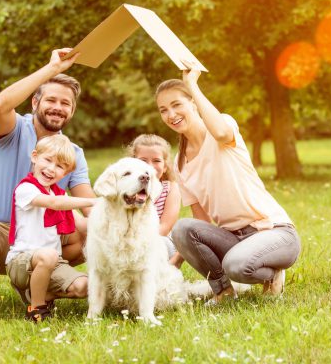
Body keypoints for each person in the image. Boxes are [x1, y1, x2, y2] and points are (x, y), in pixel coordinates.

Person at [0, 48, 96, 321]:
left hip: (41, 243)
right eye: (50, 100)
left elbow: (92, 209)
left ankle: (39, 290)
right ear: (34, 104)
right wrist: (53, 69)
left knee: (91, 230)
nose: (57, 107)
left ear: (72, 110)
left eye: (65, 103)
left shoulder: (72, 153)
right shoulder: (14, 129)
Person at [155, 64, 301, 305]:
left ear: (193, 103)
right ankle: (223, 292)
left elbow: (222, 133)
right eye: (163, 110)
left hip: (274, 232)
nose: (171, 114)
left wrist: (192, 84)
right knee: (182, 228)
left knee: (236, 265)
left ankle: (272, 274)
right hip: (233, 239)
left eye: (176, 104)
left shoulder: (222, 127)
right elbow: (200, 222)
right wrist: (174, 264)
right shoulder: (180, 163)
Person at [6, 134, 96, 322]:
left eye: (60, 166)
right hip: (21, 262)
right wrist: (94, 201)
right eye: (47, 160)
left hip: (52, 264)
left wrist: (117, 216)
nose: (51, 169)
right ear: (34, 156)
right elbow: (54, 203)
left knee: (86, 286)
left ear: (66, 173)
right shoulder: (26, 189)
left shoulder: (58, 193)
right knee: (49, 255)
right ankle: (36, 308)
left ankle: (39, 292)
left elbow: (85, 225)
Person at [126, 134, 183, 268]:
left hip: (158, 241)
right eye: (143, 160)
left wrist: (138, 244)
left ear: (165, 166)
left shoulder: (170, 188)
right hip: (127, 242)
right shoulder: (125, 190)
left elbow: (165, 227)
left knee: (159, 245)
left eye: (156, 160)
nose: (149, 166)